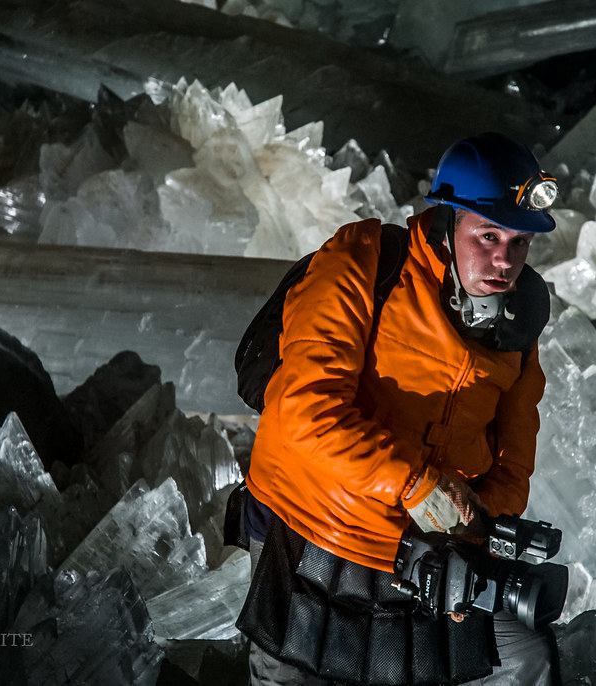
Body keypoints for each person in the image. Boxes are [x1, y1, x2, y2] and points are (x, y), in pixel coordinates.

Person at [237, 132, 559, 686]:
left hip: (423, 550)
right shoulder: (364, 263)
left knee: (526, 660)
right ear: (448, 218)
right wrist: (415, 486)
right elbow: (305, 411)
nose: (504, 261)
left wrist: (476, 533)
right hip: (312, 525)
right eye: (487, 236)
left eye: (519, 243)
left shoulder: (518, 324)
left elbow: (512, 463)